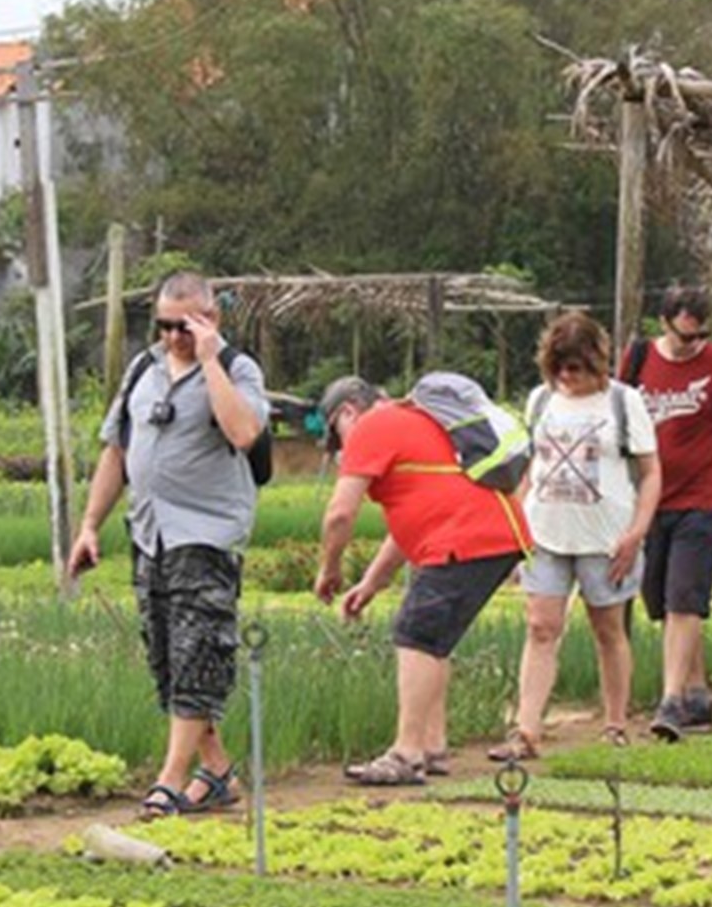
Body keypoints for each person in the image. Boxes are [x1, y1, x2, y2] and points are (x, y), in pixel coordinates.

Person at [68, 271, 268, 817]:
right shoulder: (143, 369)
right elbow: (116, 450)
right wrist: (89, 525)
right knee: (166, 658)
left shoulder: (236, 369)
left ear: (211, 319)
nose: (173, 337)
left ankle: (170, 779)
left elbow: (244, 432)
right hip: (149, 531)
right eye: (164, 326)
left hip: (206, 535)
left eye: (186, 325)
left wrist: (207, 359)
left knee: (199, 653)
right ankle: (218, 770)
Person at [316, 374, 530, 785]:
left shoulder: (372, 426)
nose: (341, 447)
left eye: (335, 436)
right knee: (433, 640)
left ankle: (406, 752)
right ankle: (432, 746)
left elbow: (340, 513)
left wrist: (329, 569)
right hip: (491, 534)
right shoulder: (415, 420)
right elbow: (411, 521)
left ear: (347, 412)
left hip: (467, 537)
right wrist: (371, 583)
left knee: (415, 634)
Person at [493, 313, 661, 759]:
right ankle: (527, 730)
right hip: (546, 533)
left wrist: (636, 533)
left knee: (608, 629)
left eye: (579, 367)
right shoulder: (540, 401)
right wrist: (517, 530)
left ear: (597, 362)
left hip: (607, 536)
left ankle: (615, 723)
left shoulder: (624, 403)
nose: (570, 376)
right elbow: (530, 468)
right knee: (541, 626)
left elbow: (650, 474)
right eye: (561, 367)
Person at [626, 285, 712, 743]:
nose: (693, 344)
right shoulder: (639, 360)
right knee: (661, 603)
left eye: (701, 335)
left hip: (699, 500)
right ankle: (697, 693)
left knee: (685, 598)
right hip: (648, 500)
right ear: (664, 323)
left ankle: (672, 701)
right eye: (684, 336)